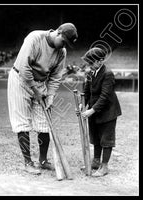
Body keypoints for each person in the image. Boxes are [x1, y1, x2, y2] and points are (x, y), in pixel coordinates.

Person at [7, 23, 78, 175]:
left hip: (41, 83)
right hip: (20, 79)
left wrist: (50, 95)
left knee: (44, 124)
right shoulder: (35, 38)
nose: (63, 46)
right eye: (63, 41)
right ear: (58, 32)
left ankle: (43, 160)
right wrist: (35, 90)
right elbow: (24, 67)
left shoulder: (62, 52)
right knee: (22, 122)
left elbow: (56, 76)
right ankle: (28, 162)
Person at [76, 47, 122, 177]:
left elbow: (105, 96)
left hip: (108, 112)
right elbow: (86, 92)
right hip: (94, 111)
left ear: (100, 61)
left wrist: (91, 110)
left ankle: (104, 166)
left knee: (106, 139)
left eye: (91, 62)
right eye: (88, 63)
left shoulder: (108, 74)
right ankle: (96, 161)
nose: (89, 65)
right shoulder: (90, 73)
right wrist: (81, 104)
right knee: (96, 137)